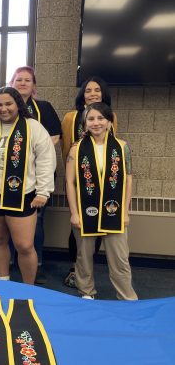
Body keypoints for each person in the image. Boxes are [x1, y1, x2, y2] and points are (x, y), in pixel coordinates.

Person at [0, 87, 56, 285]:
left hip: (21, 195)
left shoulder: (33, 127)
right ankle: (4, 282)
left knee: (24, 245)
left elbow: (46, 160)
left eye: (8, 104)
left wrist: (43, 191)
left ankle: (28, 289)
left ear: (18, 105)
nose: (3, 108)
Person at [65, 102, 137, 300]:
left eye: (100, 118)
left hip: (114, 212)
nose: (96, 123)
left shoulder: (122, 147)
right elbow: (69, 183)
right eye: (91, 119)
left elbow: (128, 180)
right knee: (84, 257)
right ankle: (86, 293)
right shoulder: (76, 149)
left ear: (109, 122)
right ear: (85, 123)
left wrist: (125, 212)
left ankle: (127, 298)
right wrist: (74, 213)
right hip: (84, 212)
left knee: (120, 259)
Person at [8, 66, 62, 284]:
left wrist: (28, 153)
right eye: (18, 79)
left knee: (36, 223)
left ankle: (35, 266)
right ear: (12, 83)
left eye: (27, 80)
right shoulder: (4, 108)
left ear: (34, 86)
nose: (22, 83)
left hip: (37, 176)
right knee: (7, 220)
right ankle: (9, 263)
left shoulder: (44, 108)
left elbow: (56, 137)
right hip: (9, 178)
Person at [61, 76, 116, 288]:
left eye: (97, 90)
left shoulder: (111, 116)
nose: (92, 94)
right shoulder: (70, 118)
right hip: (77, 180)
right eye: (88, 90)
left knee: (98, 225)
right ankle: (75, 268)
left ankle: (87, 268)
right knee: (76, 226)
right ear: (82, 94)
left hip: (102, 183)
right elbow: (65, 148)